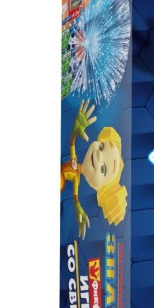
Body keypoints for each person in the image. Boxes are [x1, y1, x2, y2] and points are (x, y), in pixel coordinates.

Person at [61, 100, 127, 238]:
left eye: (103, 169)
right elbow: (72, 145)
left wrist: (78, 208)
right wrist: (75, 132)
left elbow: (75, 197)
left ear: (102, 190)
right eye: (102, 147)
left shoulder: (77, 180)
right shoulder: (75, 162)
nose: (98, 154)